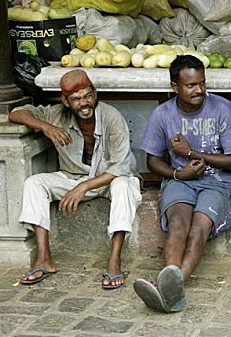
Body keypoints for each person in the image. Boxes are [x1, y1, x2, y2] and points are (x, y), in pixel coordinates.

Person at [9, 69, 142, 290]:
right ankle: (44, 258)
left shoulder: (112, 117)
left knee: (123, 186)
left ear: (95, 94)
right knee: (34, 183)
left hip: (110, 180)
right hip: (73, 178)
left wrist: (84, 186)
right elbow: (16, 113)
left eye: (87, 96)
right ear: (65, 101)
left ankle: (114, 261)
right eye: (76, 99)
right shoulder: (56, 115)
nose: (84, 103)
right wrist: (46, 127)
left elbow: (120, 168)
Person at [135, 55, 231, 312]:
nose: (199, 90)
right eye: (191, 85)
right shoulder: (163, 114)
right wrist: (178, 174)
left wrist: (191, 154)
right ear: (175, 87)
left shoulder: (222, 109)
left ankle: (171, 287)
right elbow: (152, 161)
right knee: (177, 225)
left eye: (202, 83)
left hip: (217, 182)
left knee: (198, 229)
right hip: (180, 180)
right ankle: (170, 290)